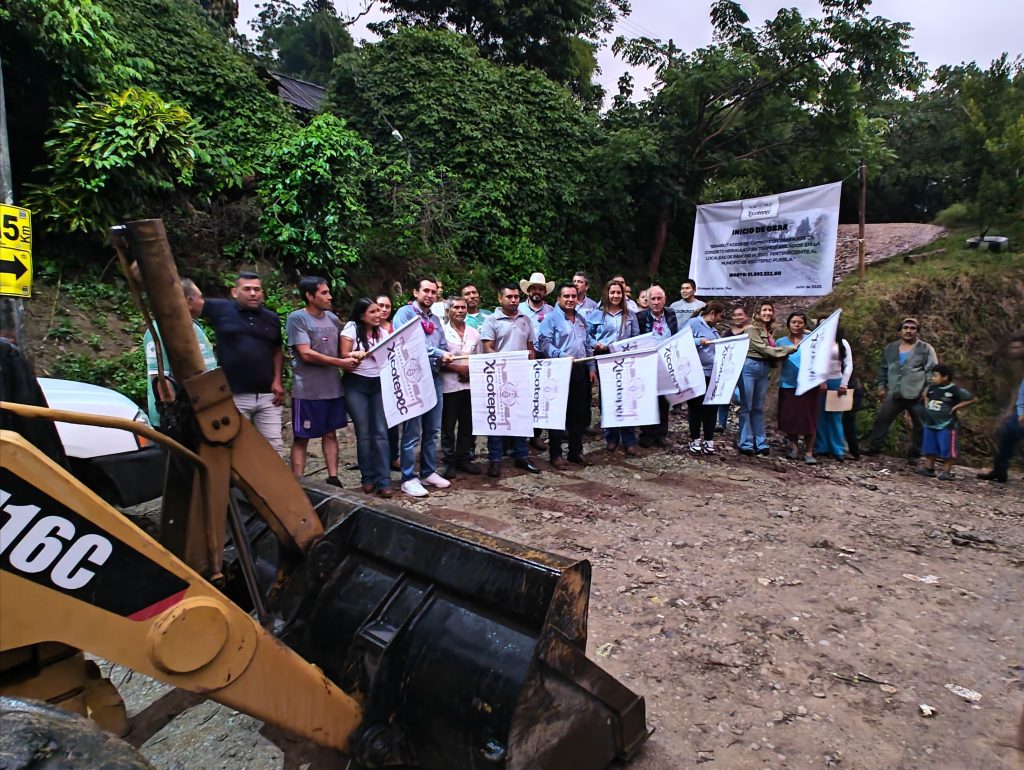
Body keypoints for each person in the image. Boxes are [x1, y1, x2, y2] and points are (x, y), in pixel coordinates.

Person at [201, 271, 286, 453]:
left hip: (267, 395)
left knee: (274, 447)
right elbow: (188, 303)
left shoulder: (271, 318)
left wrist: (277, 380)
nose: (253, 293)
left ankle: (271, 482)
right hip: (234, 394)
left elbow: (277, 350)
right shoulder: (221, 309)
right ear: (234, 291)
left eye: (257, 289)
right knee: (236, 447)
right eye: (247, 289)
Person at [285, 277, 355, 484]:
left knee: (330, 433)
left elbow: (342, 350)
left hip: (332, 388)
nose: (329, 296)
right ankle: (297, 481)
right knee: (302, 436)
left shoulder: (332, 319)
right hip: (308, 390)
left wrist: (354, 355)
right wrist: (339, 363)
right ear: (309, 295)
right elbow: (305, 354)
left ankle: (333, 477)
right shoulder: (297, 319)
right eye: (324, 293)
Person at [391, 277, 455, 497]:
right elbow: (408, 343)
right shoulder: (405, 314)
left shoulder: (436, 319)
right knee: (412, 431)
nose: (429, 295)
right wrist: (439, 354)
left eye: (433, 292)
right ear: (415, 292)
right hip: (413, 378)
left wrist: (443, 356)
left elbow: (443, 344)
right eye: (425, 291)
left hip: (434, 376)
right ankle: (408, 477)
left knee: (433, 429)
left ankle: (428, 471)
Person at [480, 284, 541, 477]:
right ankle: (495, 459)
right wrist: (503, 363)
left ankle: (521, 455)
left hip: (522, 374)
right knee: (498, 417)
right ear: (500, 298)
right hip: (499, 376)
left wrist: (531, 364)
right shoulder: (492, 320)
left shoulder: (525, 319)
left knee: (521, 417)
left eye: (516, 297)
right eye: (509, 297)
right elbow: (487, 347)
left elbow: (530, 345)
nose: (513, 300)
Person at [144, 278, 217, 427]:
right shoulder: (160, 330)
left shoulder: (193, 327)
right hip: (180, 418)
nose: (203, 302)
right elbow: (160, 378)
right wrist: (171, 418)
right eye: (201, 297)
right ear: (189, 301)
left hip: (202, 411)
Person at [340, 297, 394, 498]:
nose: (378, 314)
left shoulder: (384, 332)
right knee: (364, 432)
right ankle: (367, 477)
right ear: (362, 315)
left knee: (381, 431)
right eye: (373, 312)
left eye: (379, 311)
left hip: (378, 383)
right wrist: (358, 354)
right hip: (356, 384)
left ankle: (384, 480)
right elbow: (343, 355)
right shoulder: (351, 329)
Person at [539, 283, 595, 468]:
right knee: (557, 413)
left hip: (579, 370)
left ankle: (575, 452)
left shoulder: (581, 319)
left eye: (573, 296)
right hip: (558, 369)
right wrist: (562, 356)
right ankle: (555, 454)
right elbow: (544, 344)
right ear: (558, 299)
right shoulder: (550, 319)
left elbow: (587, 345)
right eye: (566, 296)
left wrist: (591, 366)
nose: (570, 299)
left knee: (578, 413)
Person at [864, 317, 938, 460]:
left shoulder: (925, 349)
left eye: (912, 328)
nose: (908, 331)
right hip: (895, 393)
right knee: (882, 418)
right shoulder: (891, 348)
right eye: (905, 328)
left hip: (916, 394)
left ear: (917, 331)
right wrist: (881, 386)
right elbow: (883, 368)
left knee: (919, 424)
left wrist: (928, 389)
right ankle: (874, 448)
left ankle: (915, 453)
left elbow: (932, 371)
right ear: (900, 331)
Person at [588, 280, 640, 455]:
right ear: (607, 294)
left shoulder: (631, 315)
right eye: (613, 293)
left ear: (623, 295)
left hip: (625, 359)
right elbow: (586, 336)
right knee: (608, 398)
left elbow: (636, 339)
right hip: (604, 358)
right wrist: (596, 344)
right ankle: (611, 437)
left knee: (627, 398)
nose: (616, 296)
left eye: (619, 293)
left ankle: (629, 439)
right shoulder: (596, 315)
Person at [737, 301, 796, 456]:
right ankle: (746, 443)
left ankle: (761, 442)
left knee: (758, 407)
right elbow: (763, 349)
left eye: (770, 310)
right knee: (747, 406)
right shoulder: (751, 329)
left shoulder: (768, 332)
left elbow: (770, 351)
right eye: (764, 310)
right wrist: (787, 350)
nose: (768, 313)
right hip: (750, 367)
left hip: (764, 369)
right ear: (758, 312)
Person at [440, 296, 482, 479]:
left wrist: (470, 371)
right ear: (448, 310)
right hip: (449, 384)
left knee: (468, 424)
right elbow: (437, 357)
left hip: (470, 384)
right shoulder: (441, 332)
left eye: (463, 307)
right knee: (448, 425)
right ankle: (449, 461)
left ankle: (464, 458)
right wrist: (457, 369)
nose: (460, 310)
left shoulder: (474, 333)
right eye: (456, 307)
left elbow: (479, 357)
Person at [915, 364, 976, 480]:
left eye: (935, 376)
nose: (932, 378)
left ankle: (946, 471)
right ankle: (929, 468)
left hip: (946, 425)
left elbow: (972, 399)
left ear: (945, 377)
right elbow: (925, 395)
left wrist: (957, 406)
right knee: (929, 447)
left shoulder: (954, 390)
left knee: (947, 449)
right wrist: (927, 405)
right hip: (930, 423)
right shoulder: (932, 388)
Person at [776, 312, 821, 464]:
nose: (796, 325)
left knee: (809, 418)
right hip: (788, 383)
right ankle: (794, 447)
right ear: (788, 324)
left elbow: (820, 359)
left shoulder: (812, 340)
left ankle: (809, 451)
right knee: (791, 418)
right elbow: (775, 358)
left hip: (809, 384)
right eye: (793, 322)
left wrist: (821, 380)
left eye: (800, 322)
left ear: (805, 324)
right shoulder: (781, 341)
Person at [978, 333, 1024, 482]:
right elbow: (1018, 389)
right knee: (1007, 433)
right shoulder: (1016, 365)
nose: (1013, 351)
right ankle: (999, 470)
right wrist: (1011, 409)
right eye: (1011, 347)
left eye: (1017, 348)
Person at [636, 285, 677, 448]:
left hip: (666, 362)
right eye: (653, 298)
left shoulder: (671, 314)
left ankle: (661, 433)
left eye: (659, 298)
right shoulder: (640, 317)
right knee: (647, 398)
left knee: (664, 399)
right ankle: (647, 433)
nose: (656, 302)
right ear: (648, 300)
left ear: (664, 300)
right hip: (647, 362)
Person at [684, 301, 725, 455]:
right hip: (696, 373)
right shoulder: (694, 323)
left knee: (711, 408)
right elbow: (680, 340)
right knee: (696, 408)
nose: (721, 319)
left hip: (712, 374)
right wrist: (698, 341)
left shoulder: (713, 330)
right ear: (713, 313)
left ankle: (708, 440)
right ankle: (695, 439)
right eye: (720, 315)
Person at [814, 325, 855, 461]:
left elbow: (848, 363)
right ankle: (821, 447)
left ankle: (838, 448)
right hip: (819, 383)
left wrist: (844, 383)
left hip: (837, 381)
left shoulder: (842, 343)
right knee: (820, 415)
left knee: (836, 416)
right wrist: (820, 380)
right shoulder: (816, 342)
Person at [518, 272, 555, 336]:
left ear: (545, 292)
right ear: (528, 290)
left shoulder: (551, 311)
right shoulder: (518, 309)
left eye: (540, 289)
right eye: (534, 288)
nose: (537, 291)